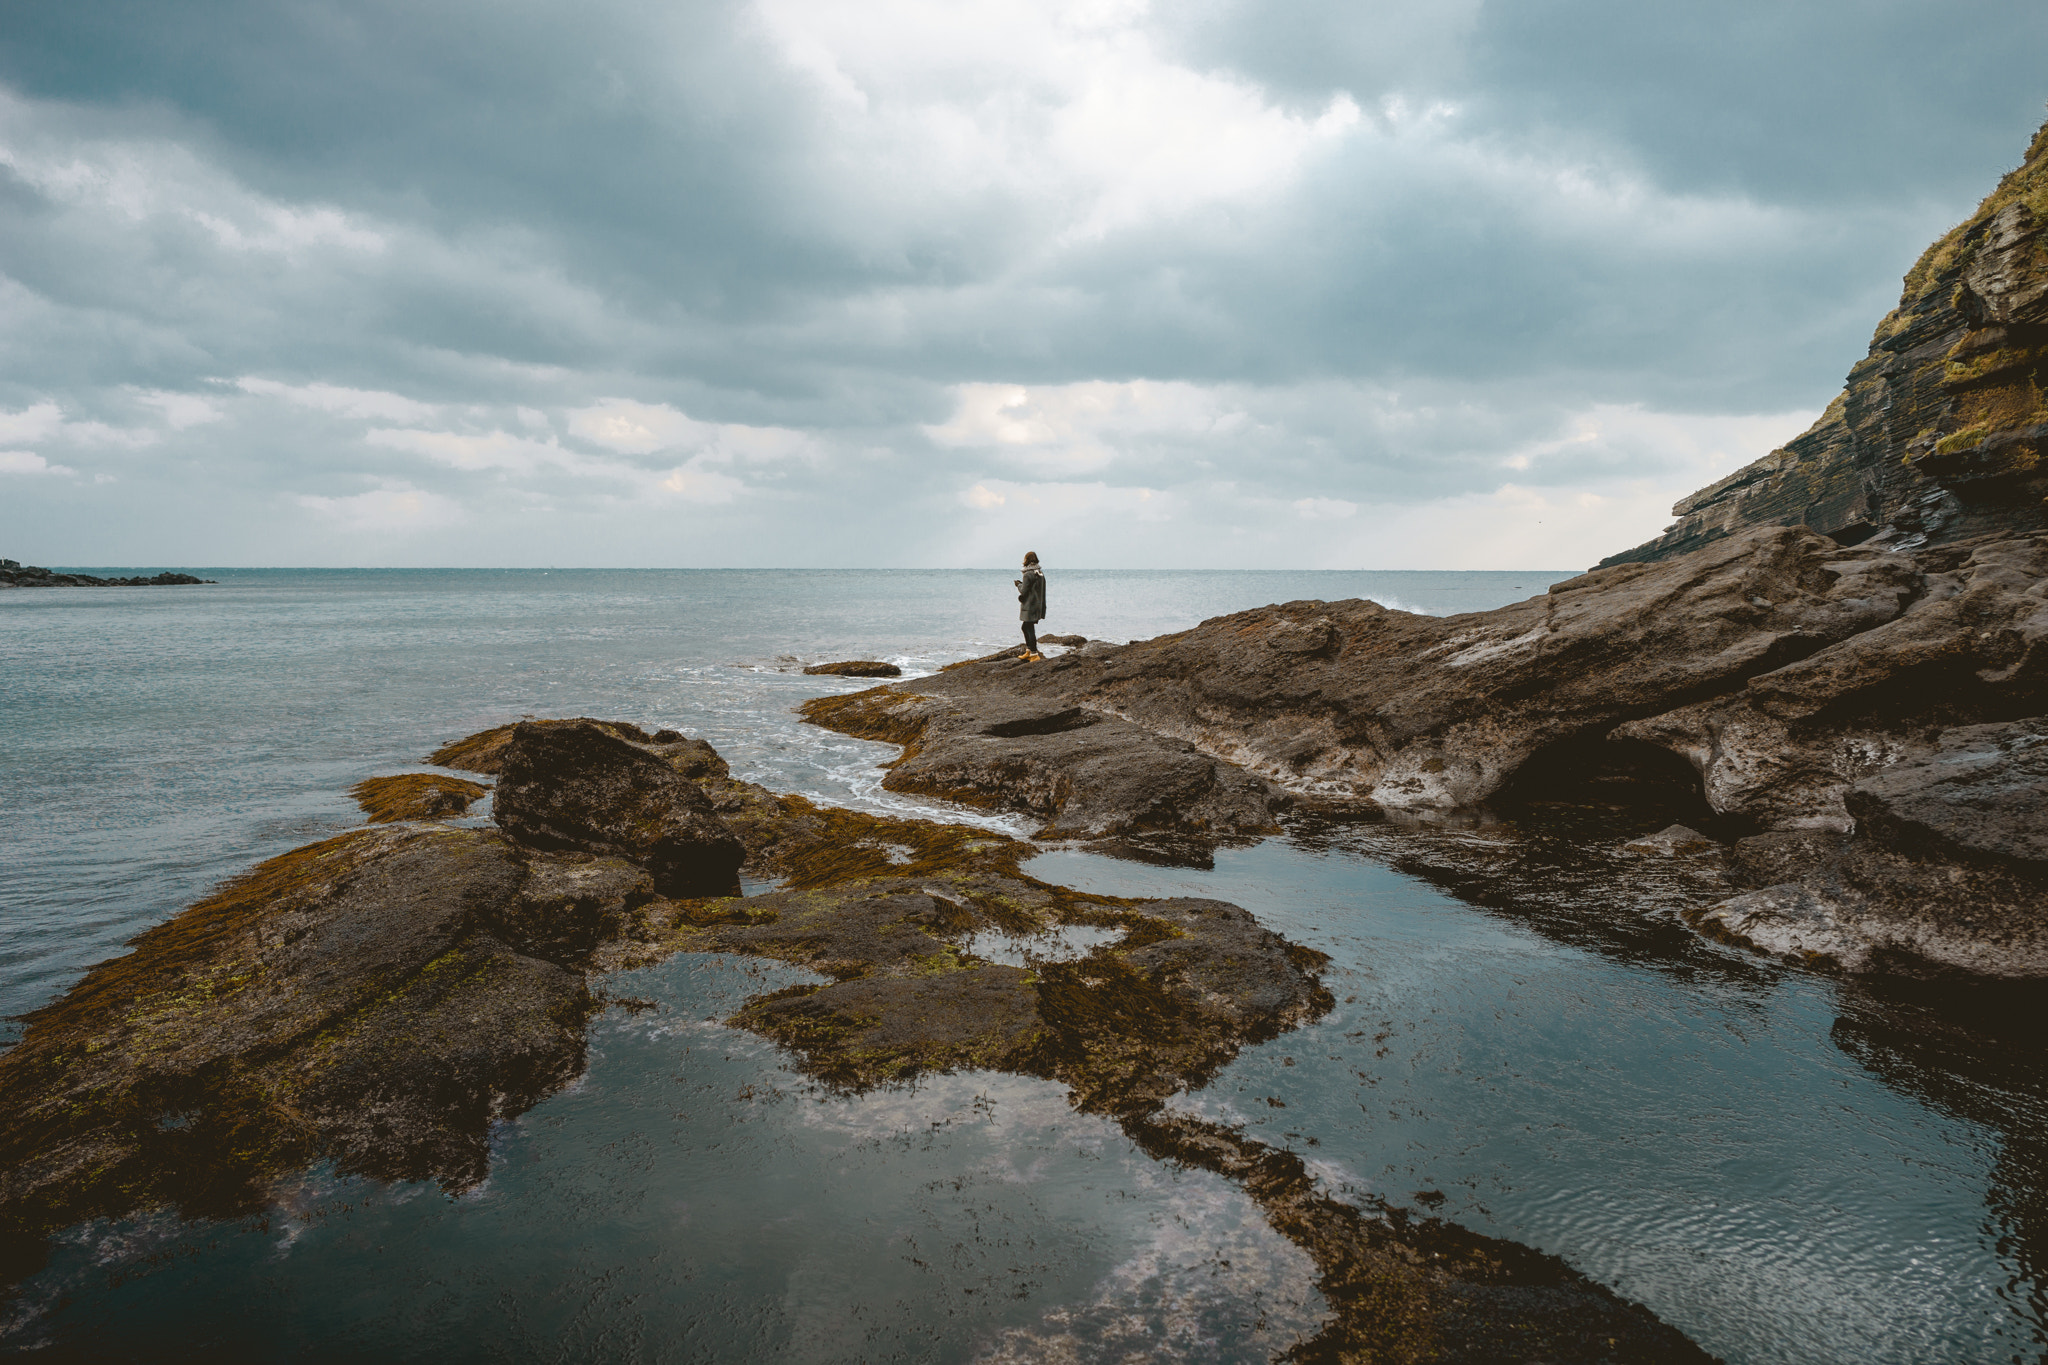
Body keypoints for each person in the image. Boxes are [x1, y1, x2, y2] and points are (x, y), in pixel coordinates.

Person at [1015, 551, 1046, 656]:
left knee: (1028, 628)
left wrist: (1019, 585)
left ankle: (1033, 653)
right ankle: (1029, 651)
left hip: (1029, 606)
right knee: (1026, 627)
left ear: (1027, 560)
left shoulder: (1028, 574)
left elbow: (1024, 590)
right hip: (1038, 605)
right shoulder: (1040, 573)